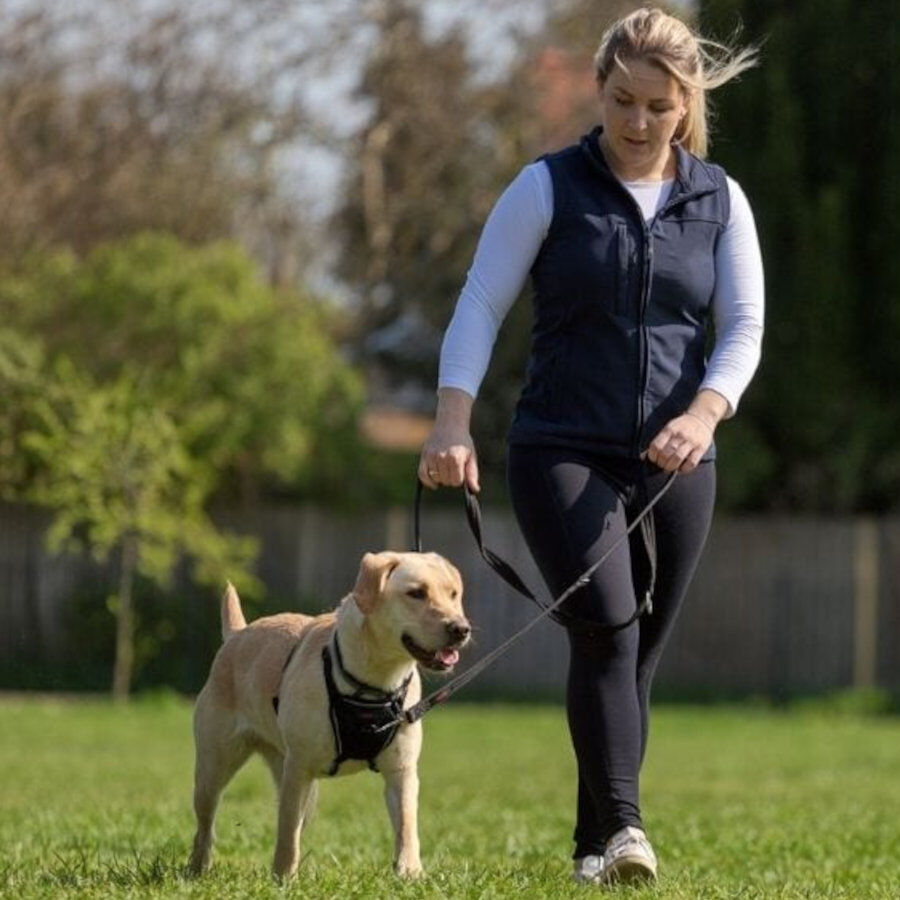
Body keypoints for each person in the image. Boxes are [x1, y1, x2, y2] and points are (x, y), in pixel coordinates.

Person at [417, 6, 764, 887]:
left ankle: (588, 843)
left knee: (636, 653)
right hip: (561, 446)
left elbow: (745, 327)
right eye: (622, 101)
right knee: (608, 626)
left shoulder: (719, 199)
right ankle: (628, 836)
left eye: (658, 105)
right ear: (599, 91)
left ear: (686, 104)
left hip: (678, 456)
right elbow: (480, 304)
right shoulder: (547, 187)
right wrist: (453, 420)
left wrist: (706, 413)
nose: (638, 123)